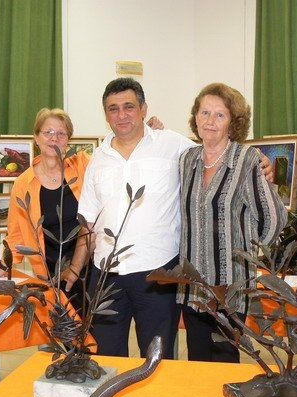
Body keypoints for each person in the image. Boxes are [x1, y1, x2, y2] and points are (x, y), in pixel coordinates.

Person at [75, 78, 273, 359]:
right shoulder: (96, 158)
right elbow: (88, 220)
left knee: (158, 357)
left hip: (158, 274)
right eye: (113, 108)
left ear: (144, 109)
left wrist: (260, 160)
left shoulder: (173, 145)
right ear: (105, 114)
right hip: (106, 274)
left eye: (129, 106)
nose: (122, 115)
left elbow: (216, 149)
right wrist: (75, 269)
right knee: (105, 355)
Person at [178, 82, 287, 363]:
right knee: (197, 361)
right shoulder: (187, 160)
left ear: (233, 122)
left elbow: (274, 218)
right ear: (195, 117)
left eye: (220, 115)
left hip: (230, 285)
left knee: (224, 360)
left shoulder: (248, 160)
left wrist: (250, 252)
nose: (210, 121)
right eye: (204, 113)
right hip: (193, 284)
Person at [0, 108, 89, 310]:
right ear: (36, 137)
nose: (54, 138)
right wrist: (2, 268)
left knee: (94, 326)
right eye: (48, 132)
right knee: (62, 325)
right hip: (51, 273)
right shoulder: (23, 183)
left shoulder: (83, 166)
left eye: (61, 133)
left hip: (89, 266)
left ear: (68, 140)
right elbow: (16, 234)